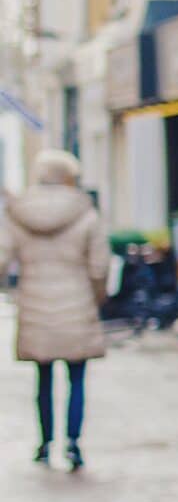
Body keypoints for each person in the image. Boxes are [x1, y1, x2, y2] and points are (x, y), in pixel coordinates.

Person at [2, 151, 110, 470]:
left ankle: (45, 442)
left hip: (35, 305)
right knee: (77, 378)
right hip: (77, 303)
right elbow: (99, 264)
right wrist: (96, 297)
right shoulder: (85, 212)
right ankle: (74, 442)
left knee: (43, 378)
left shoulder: (18, 212)